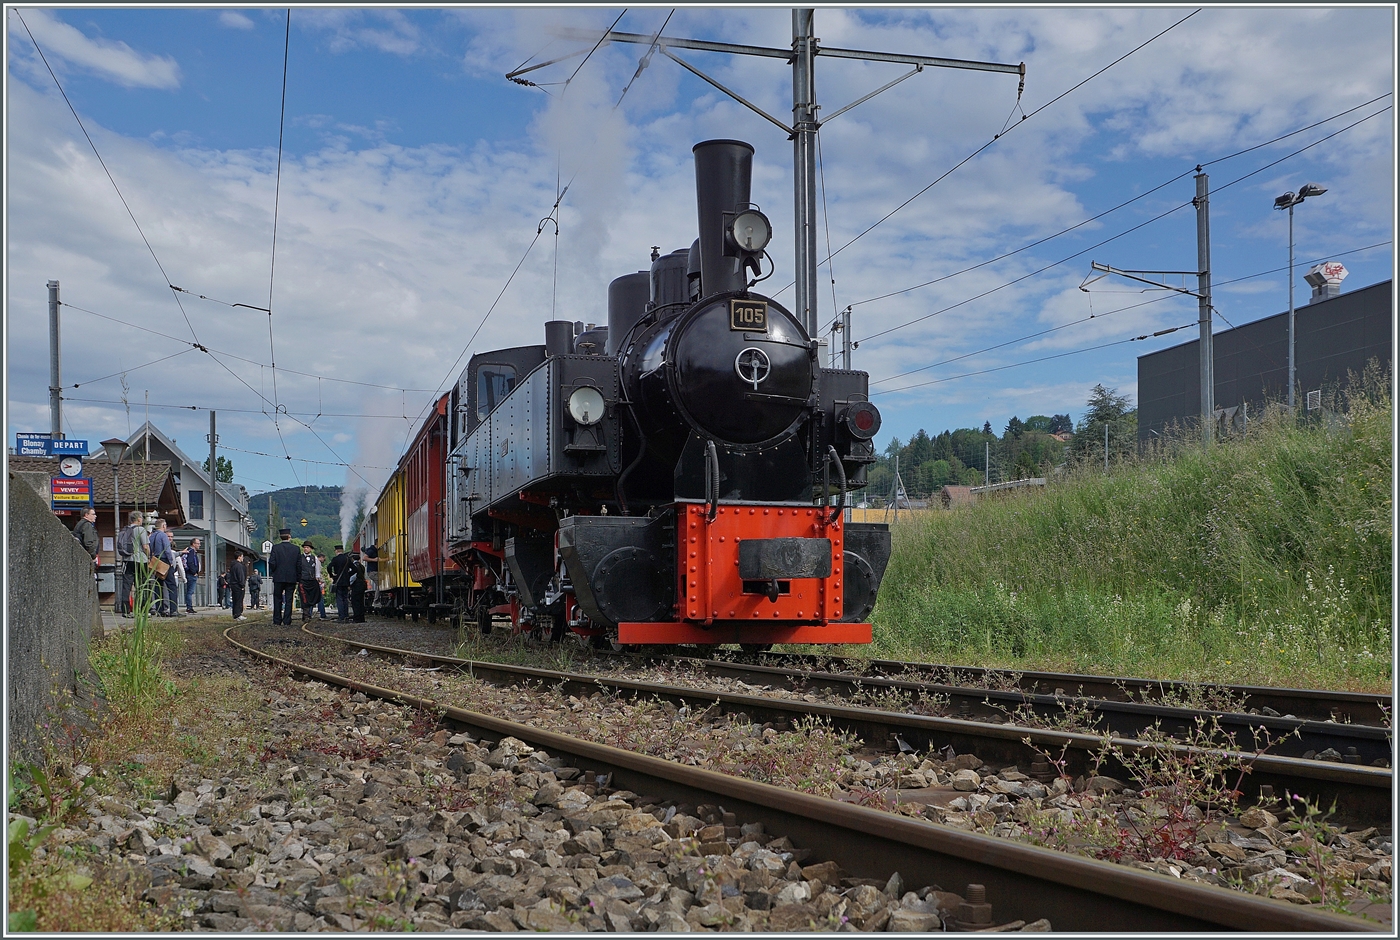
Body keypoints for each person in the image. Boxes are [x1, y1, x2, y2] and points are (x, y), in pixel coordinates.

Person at [116, 510, 149, 617]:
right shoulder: (141, 529)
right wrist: (148, 556)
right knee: (141, 586)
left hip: (127, 560)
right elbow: (145, 546)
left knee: (126, 586)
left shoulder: (125, 530)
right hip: (140, 560)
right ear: (139, 519)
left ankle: (125, 611)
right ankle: (141, 610)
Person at [268, 528, 301, 626]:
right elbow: (299, 565)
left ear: (280, 537)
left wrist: (274, 572)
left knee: (277, 598)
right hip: (291, 578)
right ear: (289, 536)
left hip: (278, 577)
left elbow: (272, 562)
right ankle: (287, 620)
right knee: (289, 599)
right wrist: (298, 578)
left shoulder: (275, 548)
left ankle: (277, 620)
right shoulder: (296, 549)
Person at [149, 518, 178, 616]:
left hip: (156, 561)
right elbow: (167, 549)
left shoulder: (152, 536)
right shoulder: (163, 536)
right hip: (164, 561)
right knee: (172, 586)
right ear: (163, 526)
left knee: (158, 585)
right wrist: (171, 562)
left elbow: (150, 549)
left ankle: (159, 609)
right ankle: (173, 610)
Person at [298, 542, 323, 623]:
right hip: (303, 580)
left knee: (312, 597)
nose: (306, 549)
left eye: (307, 547)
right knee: (304, 598)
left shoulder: (315, 559)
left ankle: (307, 614)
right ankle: (306, 615)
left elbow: (317, 570)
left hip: (312, 581)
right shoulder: (299, 558)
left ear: (311, 549)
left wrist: (317, 578)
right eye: (304, 547)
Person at [329, 544, 351, 622]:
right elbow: (354, 569)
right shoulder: (347, 559)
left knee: (339, 599)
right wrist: (348, 575)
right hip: (346, 582)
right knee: (345, 598)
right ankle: (346, 616)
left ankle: (341, 616)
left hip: (338, 581)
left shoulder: (335, 559)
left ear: (336, 551)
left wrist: (332, 575)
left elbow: (329, 567)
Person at [182, 538, 202, 612]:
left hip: (190, 574)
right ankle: (189, 607)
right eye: (198, 543)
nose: (199, 545)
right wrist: (194, 572)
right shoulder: (191, 552)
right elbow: (190, 562)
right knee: (190, 591)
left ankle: (189, 607)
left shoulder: (191, 551)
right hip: (191, 574)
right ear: (193, 544)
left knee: (189, 591)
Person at [228, 551, 248, 621]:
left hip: (233, 584)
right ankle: (238, 614)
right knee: (239, 600)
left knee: (235, 600)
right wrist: (242, 585)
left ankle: (235, 614)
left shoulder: (233, 565)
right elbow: (241, 576)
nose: (243, 558)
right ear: (239, 557)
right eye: (242, 556)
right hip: (238, 585)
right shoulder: (239, 566)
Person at [348, 552, 368, 622]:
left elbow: (353, 577)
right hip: (362, 584)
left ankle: (356, 617)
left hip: (356, 584)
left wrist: (349, 584)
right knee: (361, 601)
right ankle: (361, 617)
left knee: (355, 601)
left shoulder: (353, 566)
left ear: (352, 558)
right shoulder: (362, 566)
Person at [315, 553, 331, 620]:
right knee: (320, 598)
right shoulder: (317, 563)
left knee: (311, 598)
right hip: (317, 583)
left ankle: (308, 614)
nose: (324, 560)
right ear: (321, 557)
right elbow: (318, 574)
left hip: (313, 582)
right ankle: (323, 614)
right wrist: (322, 581)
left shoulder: (314, 561)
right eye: (324, 559)